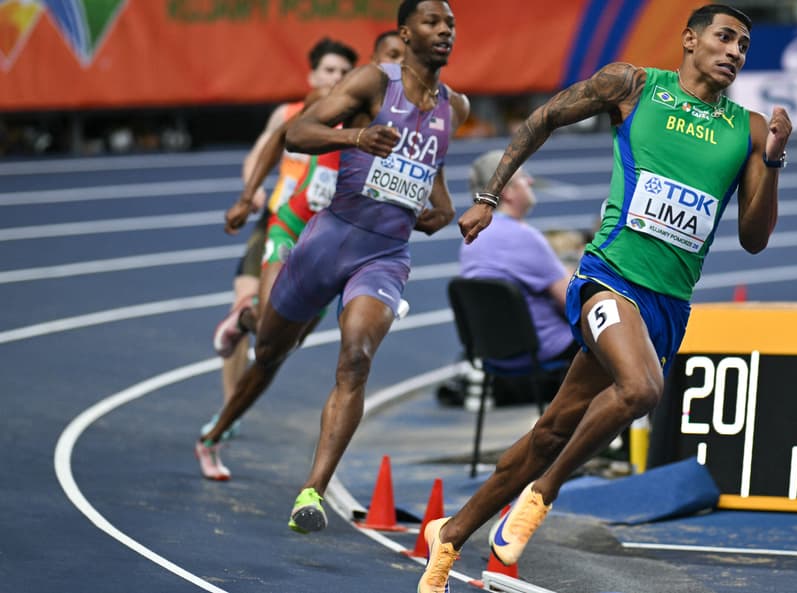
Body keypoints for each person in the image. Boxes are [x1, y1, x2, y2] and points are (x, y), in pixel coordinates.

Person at [416, 5, 791, 591]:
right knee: (642, 389)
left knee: (551, 430)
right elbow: (543, 119)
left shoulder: (747, 130)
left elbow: (753, 238)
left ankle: (451, 536)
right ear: (690, 39)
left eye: (744, 44)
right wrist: (490, 195)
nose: (735, 52)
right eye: (724, 37)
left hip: (668, 303)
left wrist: (771, 160)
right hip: (608, 277)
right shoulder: (634, 85)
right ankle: (540, 497)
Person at [196, 0, 469, 540]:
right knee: (272, 351)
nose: (445, 31)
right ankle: (236, 366)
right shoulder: (372, 83)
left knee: (356, 358)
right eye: (433, 22)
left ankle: (312, 491)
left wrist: (442, 209)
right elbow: (296, 133)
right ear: (404, 33)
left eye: (451, 24)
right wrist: (356, 137)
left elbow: (430, 170)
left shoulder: (454, 107)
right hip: (327, 240)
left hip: (385, 255)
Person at [207, 38, 358, 442]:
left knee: (281, 339)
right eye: (329, 70)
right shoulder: (290, 112)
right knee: (251, 307)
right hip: (276, 222)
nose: (336, 78)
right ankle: (229, 410)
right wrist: (250, 192)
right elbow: (259, 154)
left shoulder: (356, 120)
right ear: (312, 75)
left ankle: (237, 385)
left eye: (344, 72)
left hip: (320, 234)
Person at [454, 149, 576, 407]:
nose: (530, 182)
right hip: (542, 351)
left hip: (493, 354)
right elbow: (571, 302)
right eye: (523, 177)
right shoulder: (525, 237)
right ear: (507, 191)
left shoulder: (470, 240)